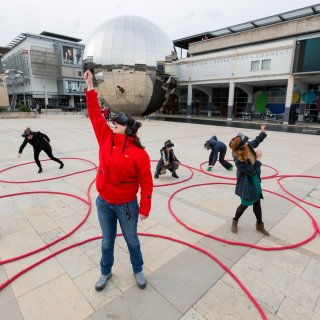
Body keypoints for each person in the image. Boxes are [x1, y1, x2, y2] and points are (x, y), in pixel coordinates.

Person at [83, 70, 153, 291]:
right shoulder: (105, 137)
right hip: (104, 202)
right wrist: (90, 87)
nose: (113, 124)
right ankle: (105, 272)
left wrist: (145, 208)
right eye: (113, 122)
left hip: (126, 205)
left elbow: (147, 183)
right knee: (107, 241)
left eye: (117, 123)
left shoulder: (139, 154)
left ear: (128, 129)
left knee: (132, 241)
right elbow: (95, 115)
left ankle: (138, 270)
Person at [229, 124, 269, 235]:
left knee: (257, 203)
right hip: (246, 182)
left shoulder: (246, 146)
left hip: (255, 180)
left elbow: (255, 142)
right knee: (244, 204)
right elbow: (251, 171)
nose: (247, 143)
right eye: (245, 142)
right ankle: (235, 221)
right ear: (240, 146)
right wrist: (259, 159)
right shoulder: (238, 159)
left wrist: (263, 133)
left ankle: (259, 225)